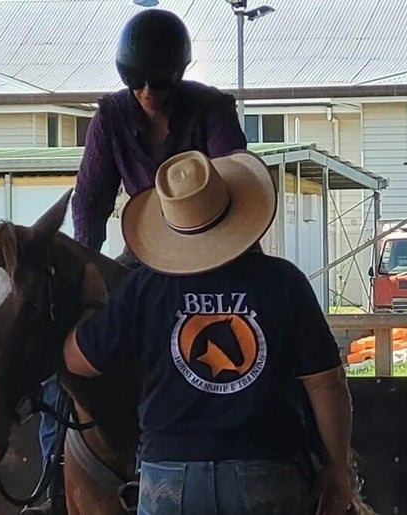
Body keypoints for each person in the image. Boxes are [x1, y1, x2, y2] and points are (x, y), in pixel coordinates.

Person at [31, 8, 248, 512]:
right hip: (144, 250)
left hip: (217, 245)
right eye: (138, 83)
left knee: (262, 328)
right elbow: (90, 197)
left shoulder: (213, 107)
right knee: (61, 349)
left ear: (179, 76)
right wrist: (88, 266)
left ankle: (312, 454)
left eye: (160, 83)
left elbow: (235, 178)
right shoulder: (110, 115)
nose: (148, 92)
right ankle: (52, 477)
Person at [63, 149, 356, 515]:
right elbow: (327, 384)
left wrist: (91, 306)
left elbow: (79, 360)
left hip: (168, 475)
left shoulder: (144, 288)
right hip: (265, 468)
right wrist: (337, 468)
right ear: (239, 213)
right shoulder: (284, 282)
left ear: (171, 227)